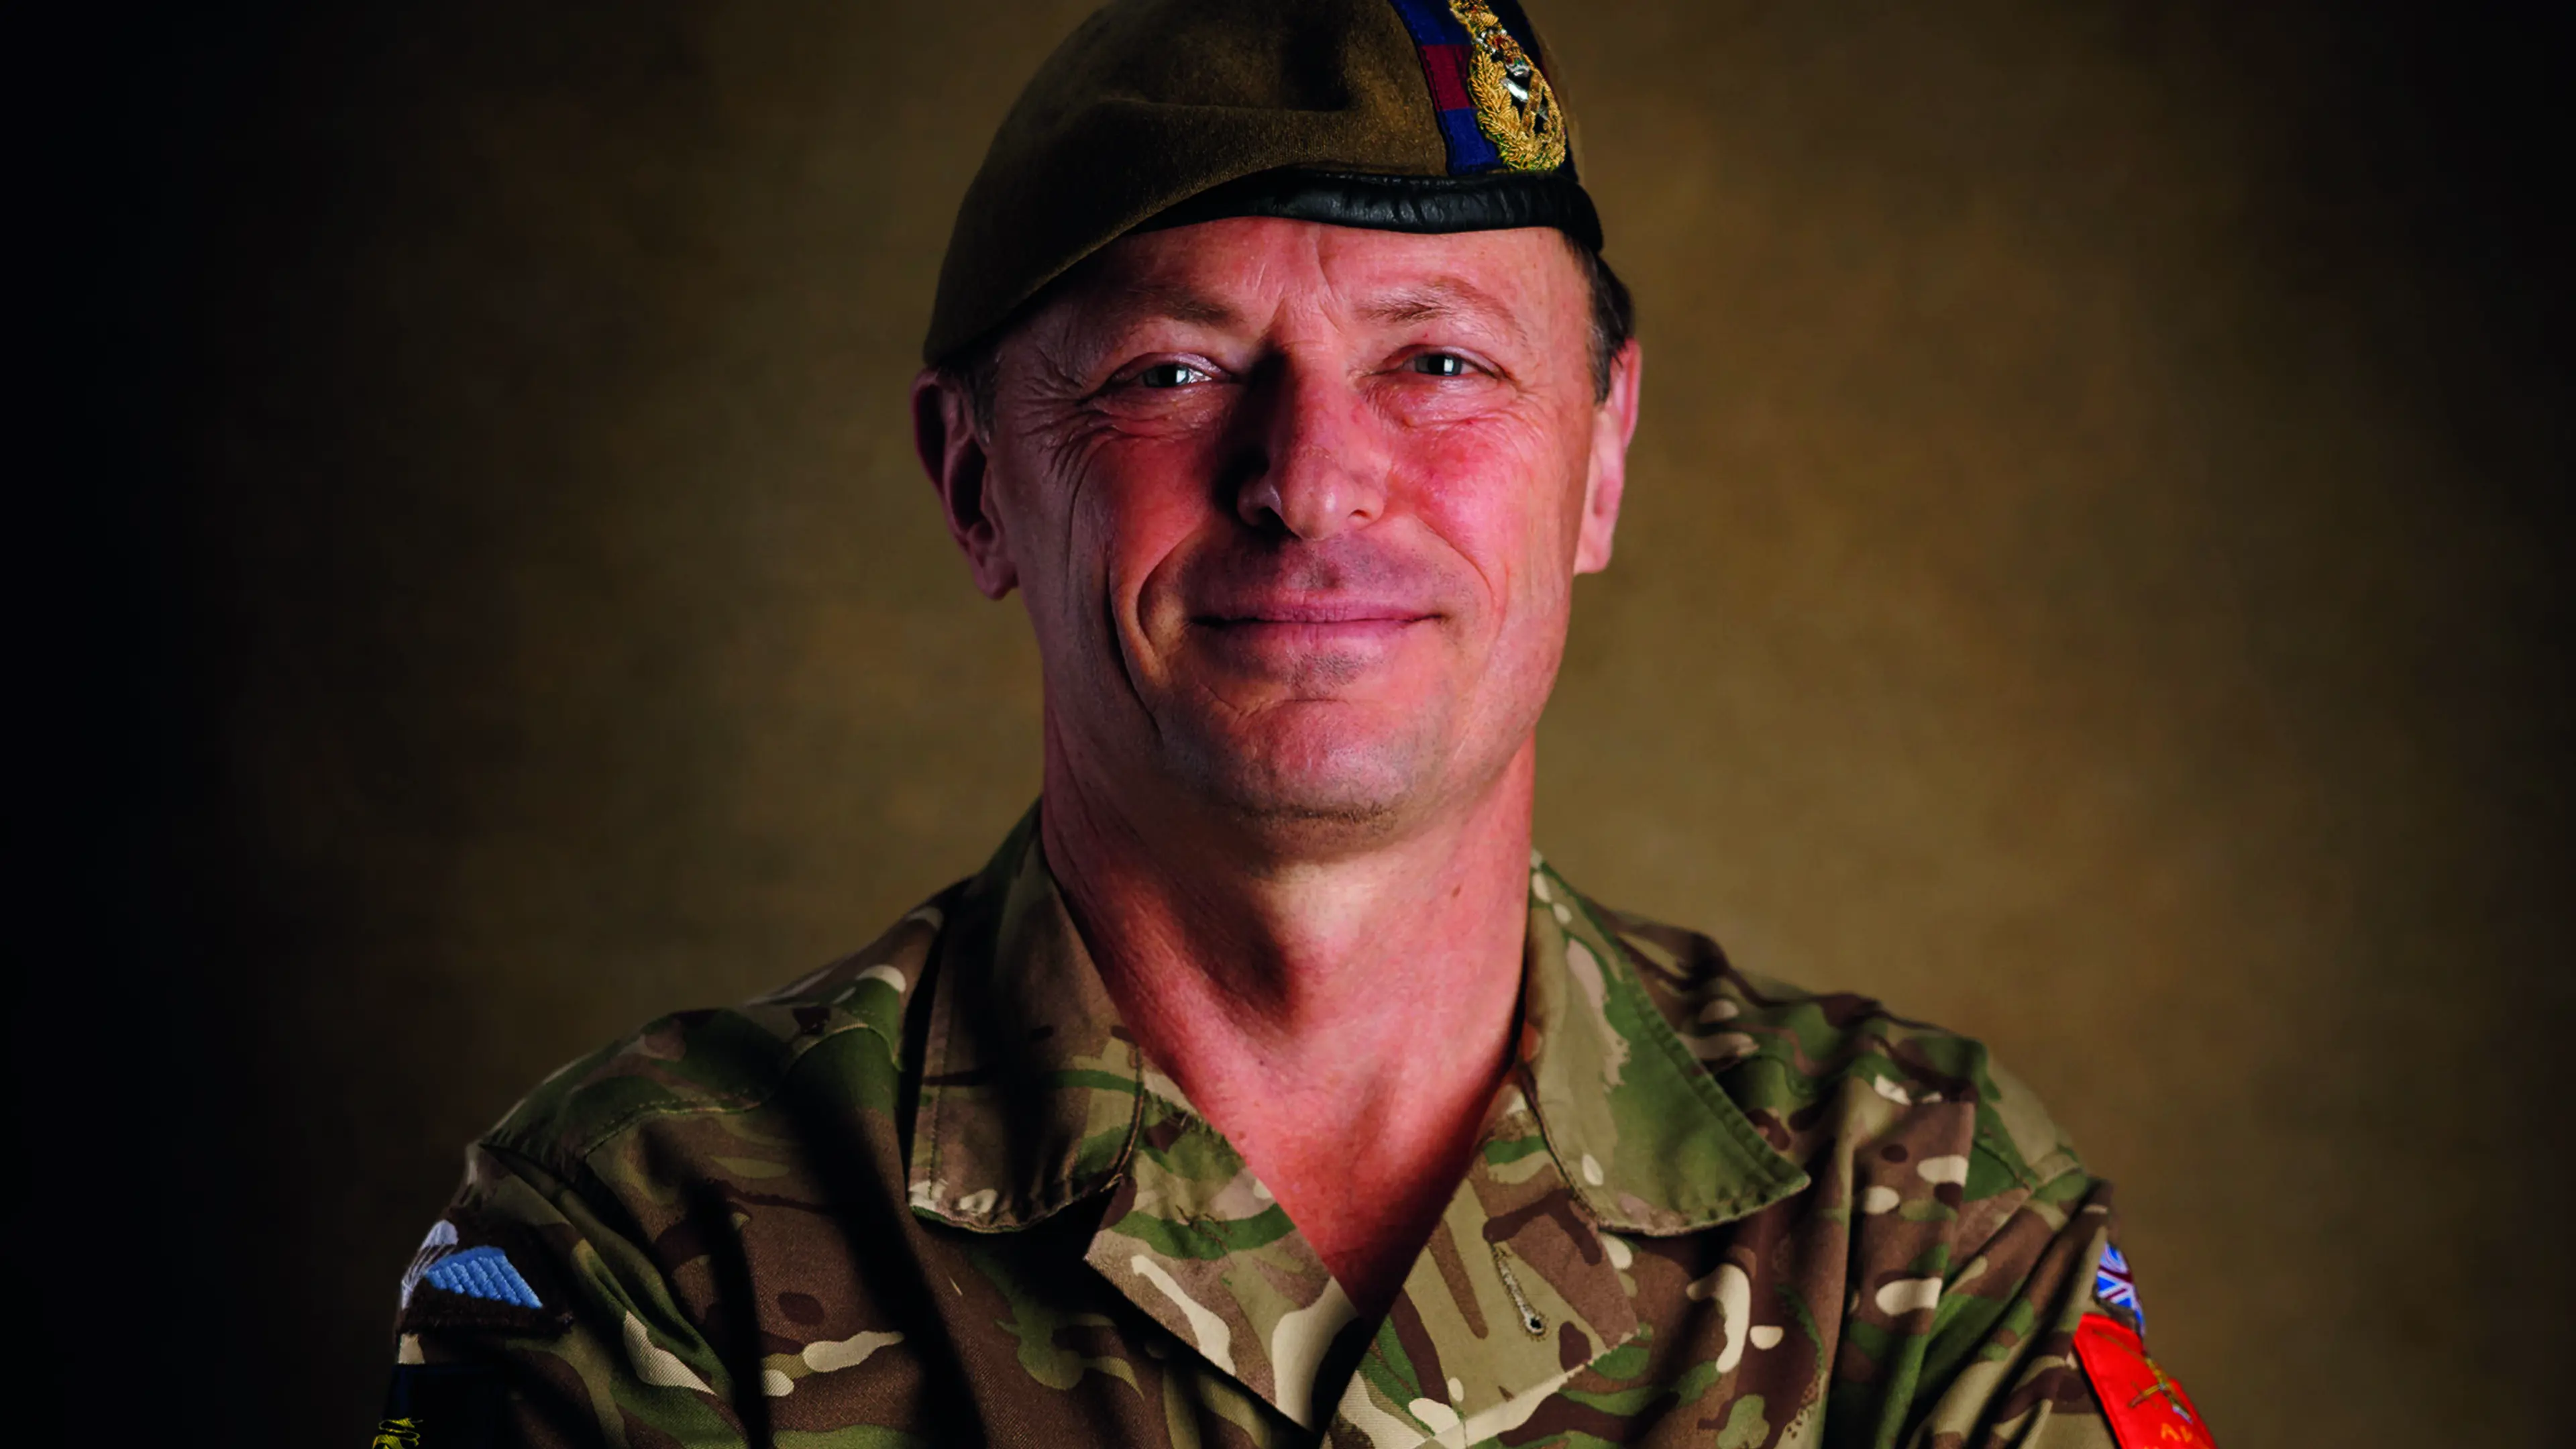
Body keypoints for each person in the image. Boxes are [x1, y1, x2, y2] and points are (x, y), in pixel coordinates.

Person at [375, 2, 2212, 1446]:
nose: (1316, 480)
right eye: (1175, 371)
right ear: (975, 483)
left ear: (1603, 453)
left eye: (1440, 363)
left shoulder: (1921, 1222)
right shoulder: (654, 1242)